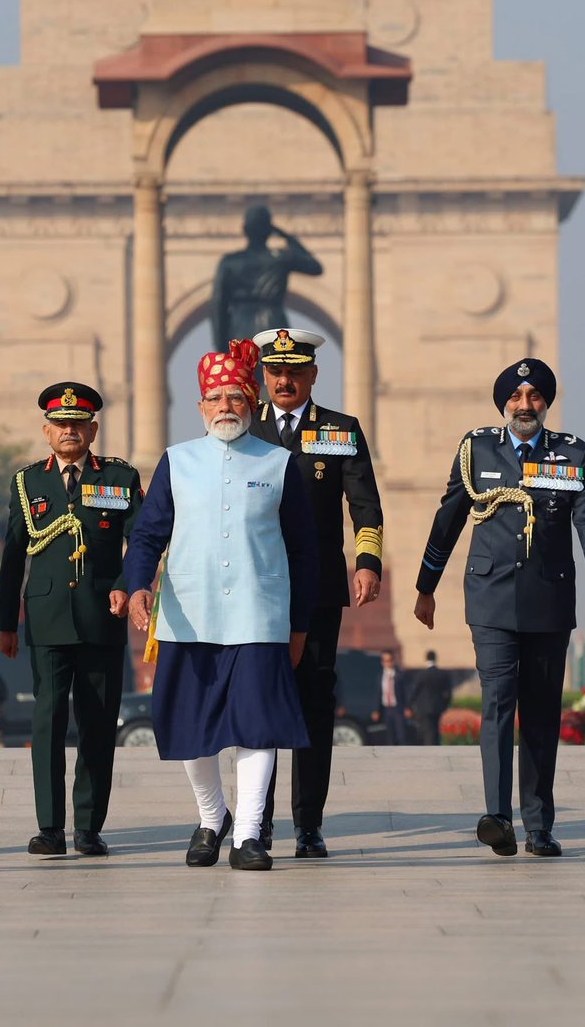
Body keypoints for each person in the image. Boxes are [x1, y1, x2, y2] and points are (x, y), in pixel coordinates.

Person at [124, 339, 318, 872]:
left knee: (260, 725)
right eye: (216, 397)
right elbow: (147, 536)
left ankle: (250, 834)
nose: (226, 406)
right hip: (190, 613)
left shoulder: (280, 463)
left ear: (252, 403)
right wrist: (139, 586)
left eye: (236, 396)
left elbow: (305, 551)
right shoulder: (177, 461)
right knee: (190, 725)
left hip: (259, 613)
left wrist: (299, 623)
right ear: (201, 406)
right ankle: (212, 818)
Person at [413, 358, 585, 859]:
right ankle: (497, 817)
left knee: (543, 713)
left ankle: (539, 826)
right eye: (516, 398)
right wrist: (426, 585)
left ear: (546, 403)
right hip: (492, 599)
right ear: (503, 404)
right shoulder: (476, 447)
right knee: (498, 703)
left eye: (535, 398)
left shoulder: (571, 453)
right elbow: (450, 517)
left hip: (548, 600)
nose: (525, 406)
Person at [249, 327, 383, 857]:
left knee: (312, 704)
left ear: (312, 375)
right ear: (264, 375)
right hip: (253, 586)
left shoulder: (340, 429)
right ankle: (255, 821)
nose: (284, 379)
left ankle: (308, 823)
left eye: (295, 370)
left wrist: (368, 560)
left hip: (319, 587)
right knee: (254, 700)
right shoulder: (242, 425)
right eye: (275, 371)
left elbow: (365, 505)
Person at [0, 381, 143, 858]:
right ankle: (49, 828)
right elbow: (13, 557)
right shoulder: (28, 483)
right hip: (47, 618)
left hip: (103, 616)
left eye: (78, 424)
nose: (69, 432)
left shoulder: (119, 479)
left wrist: (126, 583)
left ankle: (88, 827)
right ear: (47, 431)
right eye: (61, 425)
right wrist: (6, 623)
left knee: (98, 724)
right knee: (48, 722)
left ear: (93, 429)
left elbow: (139, 543)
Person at [210, 206, 323, 350]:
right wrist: (288, 237)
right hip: (273, 327)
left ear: (244, 230)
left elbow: (218, 306)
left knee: (244, 372)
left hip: (239, 330)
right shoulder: (281, 258)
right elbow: (314, 266)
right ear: (269, 231)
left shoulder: (229, 262)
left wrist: (220, 344)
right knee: (278, 371)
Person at [409, 649, 453, 745]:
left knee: (428, 729)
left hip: (424, 707)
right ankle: (436, 744)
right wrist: (445, 705)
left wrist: (409, 705)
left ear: (426, 659)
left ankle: (431, 747)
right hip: (438, 706)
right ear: (435, 658)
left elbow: (414, 691)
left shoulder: (421, 675)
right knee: (435, 727)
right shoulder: (443, 674)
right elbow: (449, 693)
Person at [372, 648, 411, 744]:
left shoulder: (400, 675)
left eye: (389, 660)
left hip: (398, 709)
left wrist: (407, 707)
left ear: (393, 661)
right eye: (384, 661)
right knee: (390, 736)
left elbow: (406, 692)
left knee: (401, 735)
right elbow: (379, 694)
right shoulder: (380, 676)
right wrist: (376, 710)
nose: (387, 663)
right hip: (386, 709)